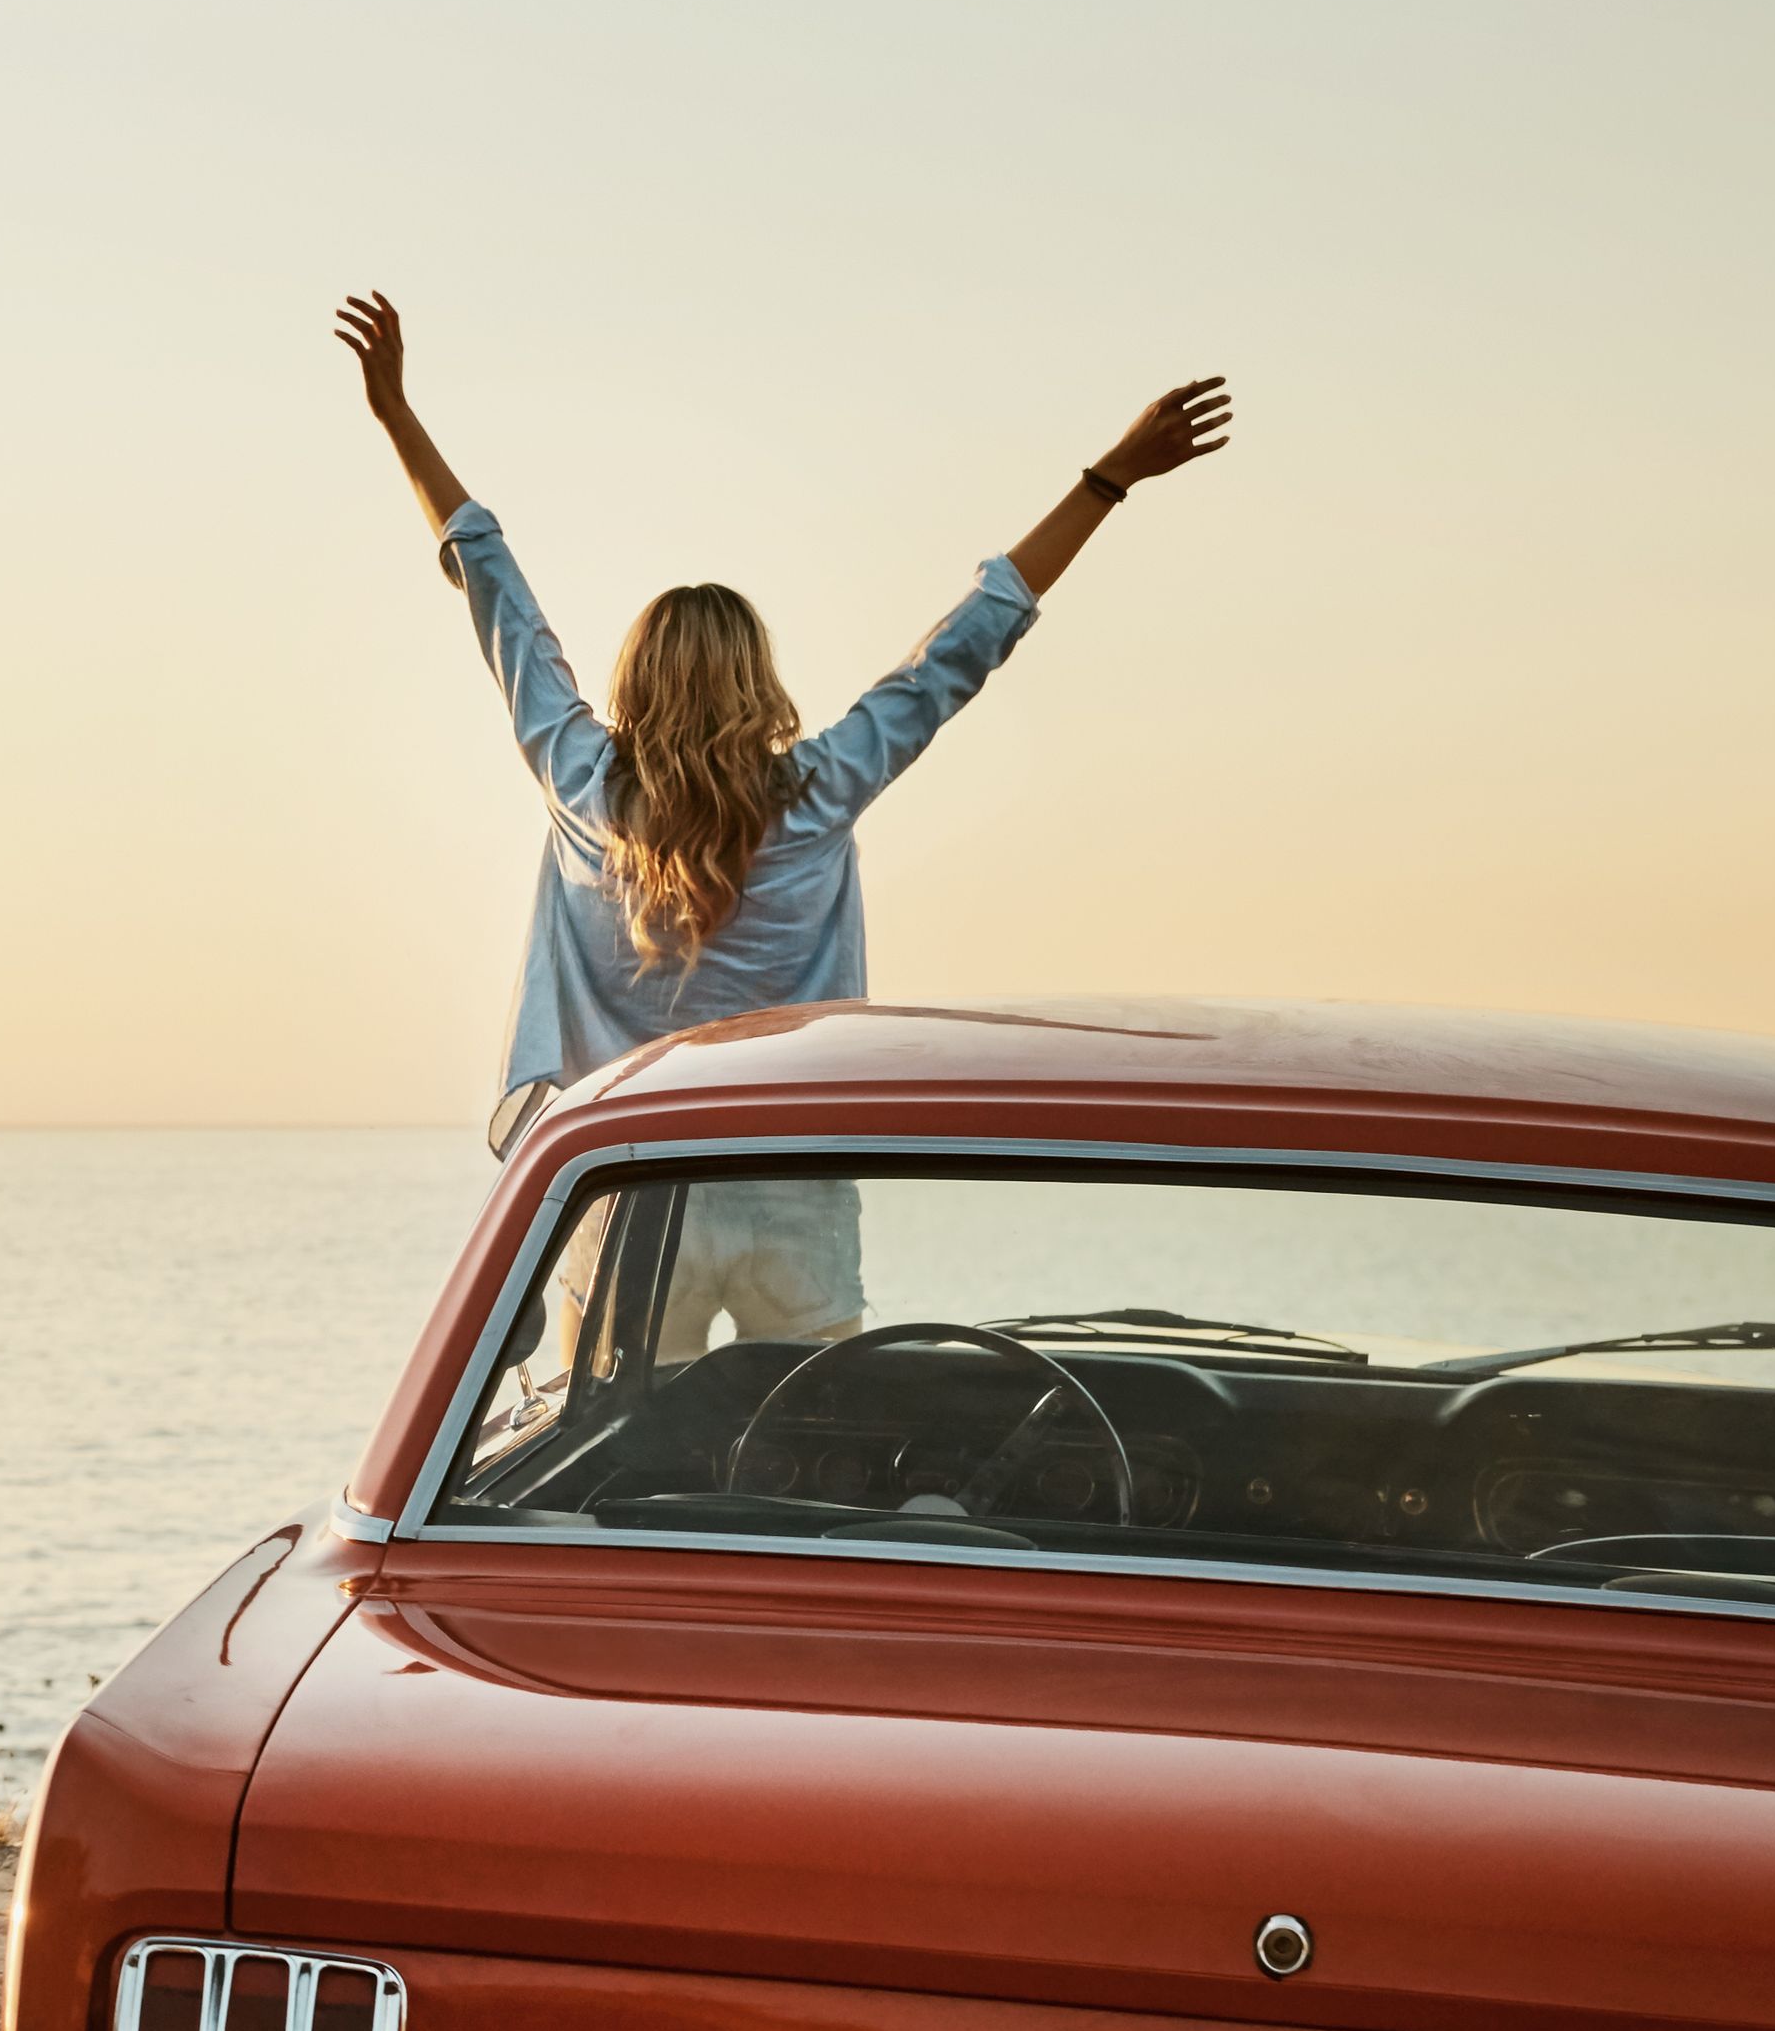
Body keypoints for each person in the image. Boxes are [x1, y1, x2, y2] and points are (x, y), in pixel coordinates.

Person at [336, 290, 1231, 1339]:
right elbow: (967, 643)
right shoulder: (818, 794)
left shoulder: (583, 787)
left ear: (635, 683)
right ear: (757, 681)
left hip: (627, 1194)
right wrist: (1105, 479)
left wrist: (395, 413)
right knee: (813, 1465)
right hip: (790, 1184)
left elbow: (489, 580)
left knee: (609, 1480)